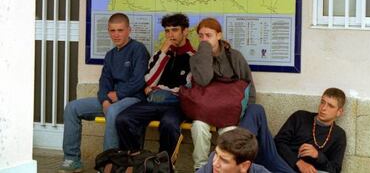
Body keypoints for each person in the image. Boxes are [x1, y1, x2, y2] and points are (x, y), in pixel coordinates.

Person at [59, 13, 149, 172]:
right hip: (112, 100)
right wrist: (104, 100)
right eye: (112, 30)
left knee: (113, 111)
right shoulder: (110, 55)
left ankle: (108, 164)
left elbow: (140, 80)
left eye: (120, 30)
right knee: (72, 108)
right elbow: (104, 82)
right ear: (108, 31)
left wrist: (119, 94)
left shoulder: (138, 50)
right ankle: (72, 159)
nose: (116, 34)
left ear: (129, 30)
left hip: (134, 99)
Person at [116, 13, 195, 162]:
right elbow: (150, 80)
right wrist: (164, 53)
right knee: (123, 119)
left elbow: (186, 90)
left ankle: (163, 166)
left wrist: (159, 89)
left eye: (175, 30)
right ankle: (136, 160)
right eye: (167, 30)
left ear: (185, 31)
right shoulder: (160, 54)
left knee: (169, 124)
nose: (170, 34)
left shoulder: (194, 57)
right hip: (153, 102)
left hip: (176, 105)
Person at [189, 17, 258, 170]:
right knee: (198, 127)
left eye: (209, 35)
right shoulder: (196, 59)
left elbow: (248, 84)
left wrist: (246, 111)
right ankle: (200, 168)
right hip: (205, 110)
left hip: (229, 112)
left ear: (219, 35)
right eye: (201, 36)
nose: (204, 39)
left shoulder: (235, 56)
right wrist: (205, 52)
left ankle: (225, 169)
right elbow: (204, 80)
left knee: (230, 133)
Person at [274, 88, 347, 173]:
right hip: (284, 165)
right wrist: (298, 162)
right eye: (322, 102)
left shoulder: (339, 135)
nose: (323, 108)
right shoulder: (300, 117)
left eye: (330, 106)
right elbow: (278, 142)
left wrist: (318, 156)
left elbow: (335, 169)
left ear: (339, 112)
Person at [197, 127, 271, 173]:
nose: (215, 164)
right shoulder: (208, 168)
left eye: (224, 160)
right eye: (216, 154)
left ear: (244, 166)